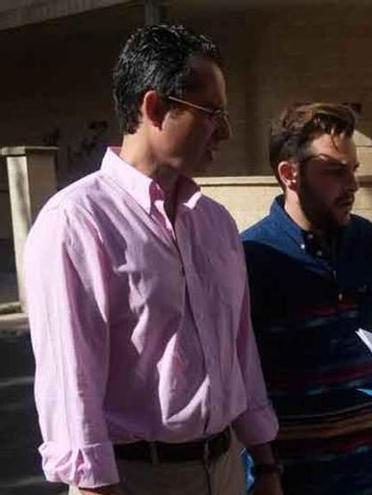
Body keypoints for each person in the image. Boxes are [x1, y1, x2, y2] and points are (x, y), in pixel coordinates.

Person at [24, 25, 281, 495]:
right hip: (135, 478)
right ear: (155, 108)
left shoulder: (215, 223)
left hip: (225, 468)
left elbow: (241, 352)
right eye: (211, 112)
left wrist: (265, 464)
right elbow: (71, 387)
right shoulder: (76, 223)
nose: (224, 130)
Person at [241, 103, 372, 494]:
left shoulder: (365, 240)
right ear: (289, 174)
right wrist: (264, 471)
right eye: (335, 172)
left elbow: (369, 345)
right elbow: (244, 379)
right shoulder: (252, 255)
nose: (353, 185)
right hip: (296, 480)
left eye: (354, 170)